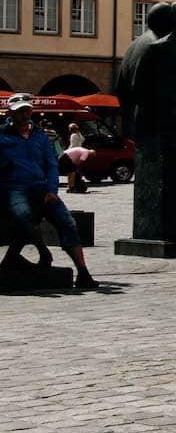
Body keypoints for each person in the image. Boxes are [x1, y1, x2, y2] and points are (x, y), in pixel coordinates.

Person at [1, 98, 97, 290]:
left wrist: (52, 190)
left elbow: (51, 164)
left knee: (67, 222)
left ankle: (83, 272)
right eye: (20, 111)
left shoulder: (40, 136)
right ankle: (44, 253)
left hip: (41, 187)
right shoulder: (2, 136)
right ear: (11, 113)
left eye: (27, 110)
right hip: (15, 188)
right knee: (25, 216)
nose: (25, 114)